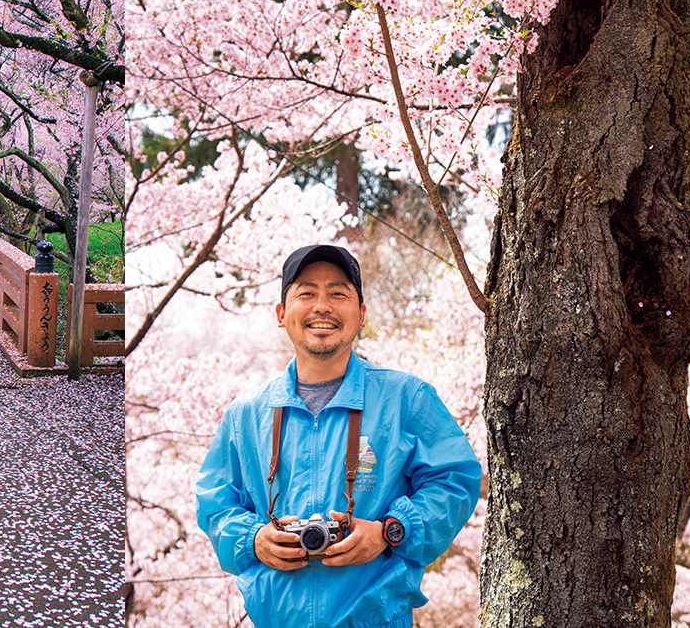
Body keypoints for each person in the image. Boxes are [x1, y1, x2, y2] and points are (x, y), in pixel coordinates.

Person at [195, 244, 482, 628]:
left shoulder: (406, 399)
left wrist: (390, 531)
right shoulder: (246, 414)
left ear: (361, 314)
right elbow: (214, 503)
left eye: (338, 293)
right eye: (306, 293)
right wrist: (253, 540)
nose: (322, 306)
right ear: (281, 314)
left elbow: (456, 479)